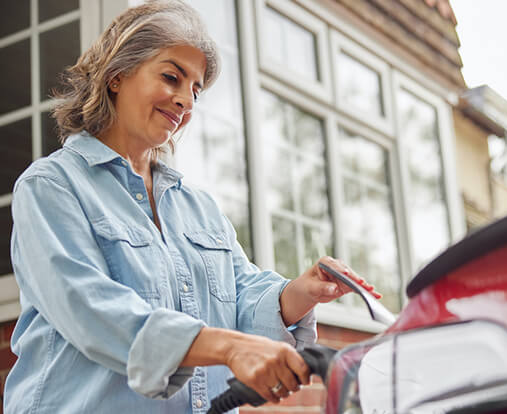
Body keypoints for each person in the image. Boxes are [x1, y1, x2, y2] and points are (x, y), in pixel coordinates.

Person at [3, 1, 380, 413]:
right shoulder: (52, 187)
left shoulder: (197, 206)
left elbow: (240, 296)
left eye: (196, 90)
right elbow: (91, 310)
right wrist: (228, 347)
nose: (186, 100)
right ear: (117, 76)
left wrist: (298, 293)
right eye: (171, 77)